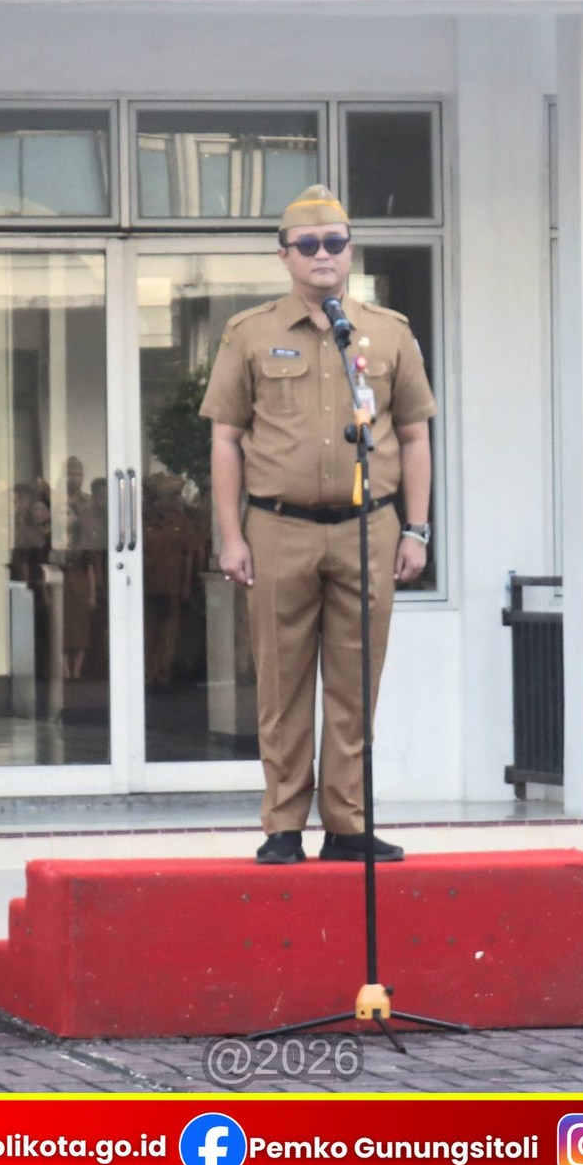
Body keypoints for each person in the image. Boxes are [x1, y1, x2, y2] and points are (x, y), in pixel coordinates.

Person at [200, 184, 437, 865]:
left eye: (334, 242)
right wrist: (231, 535)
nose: (322, 254)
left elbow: (414, 435)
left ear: (350, 251)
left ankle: (347, 822)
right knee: (281, 682)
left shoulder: (387, 331)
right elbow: (226, 438)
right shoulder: (251, 333)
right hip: (279, 528)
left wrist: (417, 529)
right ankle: (282, 823)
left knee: (356, 682)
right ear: (285, 255)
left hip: (370, 527)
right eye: (307, 244)